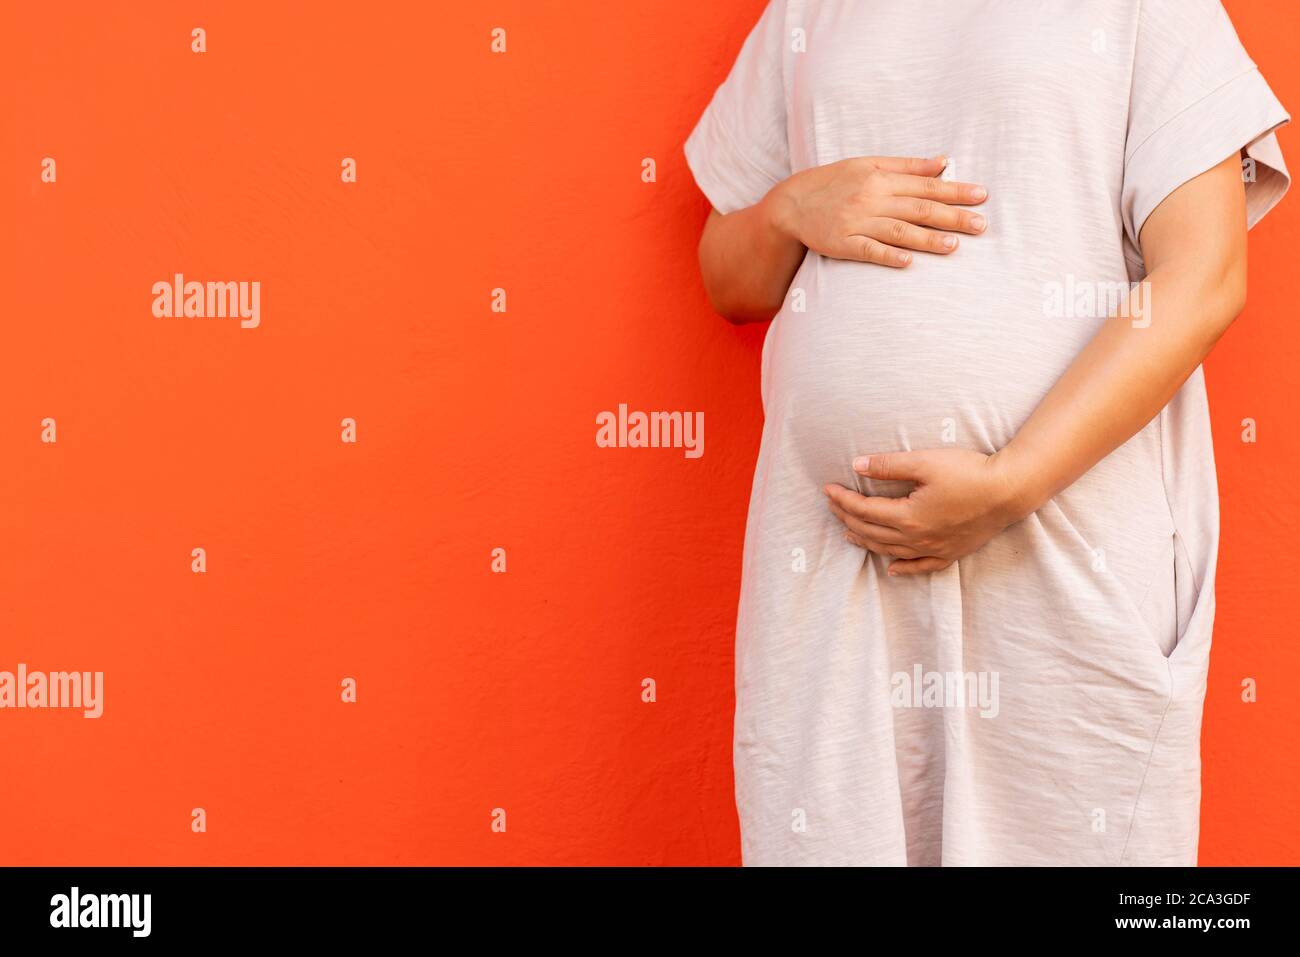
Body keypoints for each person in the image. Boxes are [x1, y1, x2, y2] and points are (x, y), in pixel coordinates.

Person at [684, 0, 1289, 865]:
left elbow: (1204, 274)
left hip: (1059, 545)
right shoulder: (811, 9)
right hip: (831, 566)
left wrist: (1014, 479)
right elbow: (726, 276)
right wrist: (788, 208)